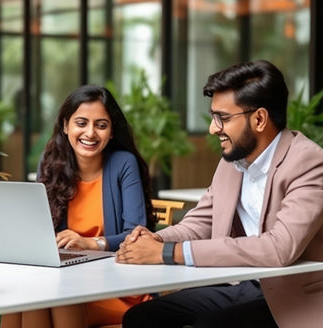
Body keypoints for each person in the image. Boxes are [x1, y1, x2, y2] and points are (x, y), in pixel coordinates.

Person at [116, 60, 323, 328]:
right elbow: (199, 223)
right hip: (244, 282)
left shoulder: (308, 162)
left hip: (295, 294)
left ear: (259, 119)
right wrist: (153, 239)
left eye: (223, 118)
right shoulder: (231, 162)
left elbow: (277, 248)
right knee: (143, 318)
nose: (213, 129)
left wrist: (167, 253)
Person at [1, 85, 156, 328]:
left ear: (112, 131)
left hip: (116, 287)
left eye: (101, 125)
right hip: (64, 279)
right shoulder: (51, 162)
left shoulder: (123, 163)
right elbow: (40, 230)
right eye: (81, 123)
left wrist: (92, 243)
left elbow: (136, 235)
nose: (90, 133)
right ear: (66, 126)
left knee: (49, 299)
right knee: (25, 300)